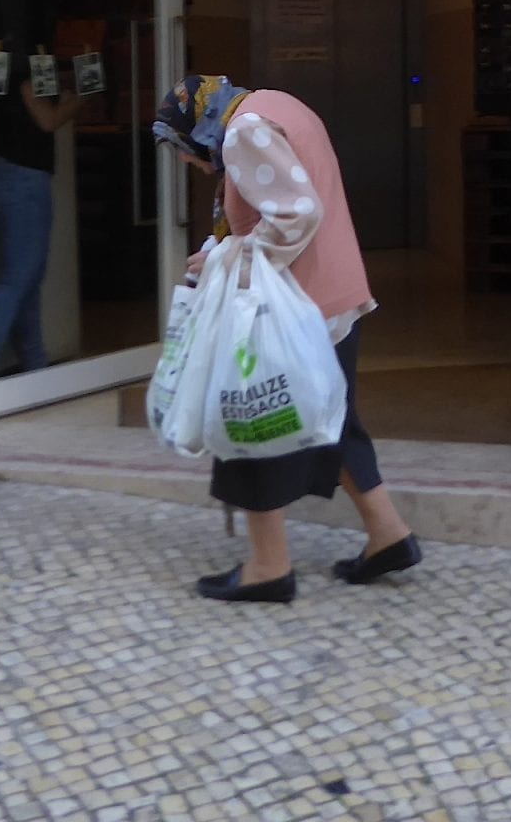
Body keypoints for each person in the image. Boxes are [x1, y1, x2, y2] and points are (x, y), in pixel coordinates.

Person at [154, 74, 421, 603]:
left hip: (292, 309)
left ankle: (268, 567)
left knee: (250, 422)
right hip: (332, 296)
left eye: (178, 148)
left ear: (195, 124)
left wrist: (224, 257)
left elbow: (296, 213)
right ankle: (388, 535)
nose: (185, 160)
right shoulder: (276, 104)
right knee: (330, 418)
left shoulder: (242, 132)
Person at [0, 0, 86, 384]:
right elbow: (47, 120)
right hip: (25, 179)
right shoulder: (30, 66)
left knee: (25, 276)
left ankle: (34, 365)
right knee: (20, 278)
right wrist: (74, 102)